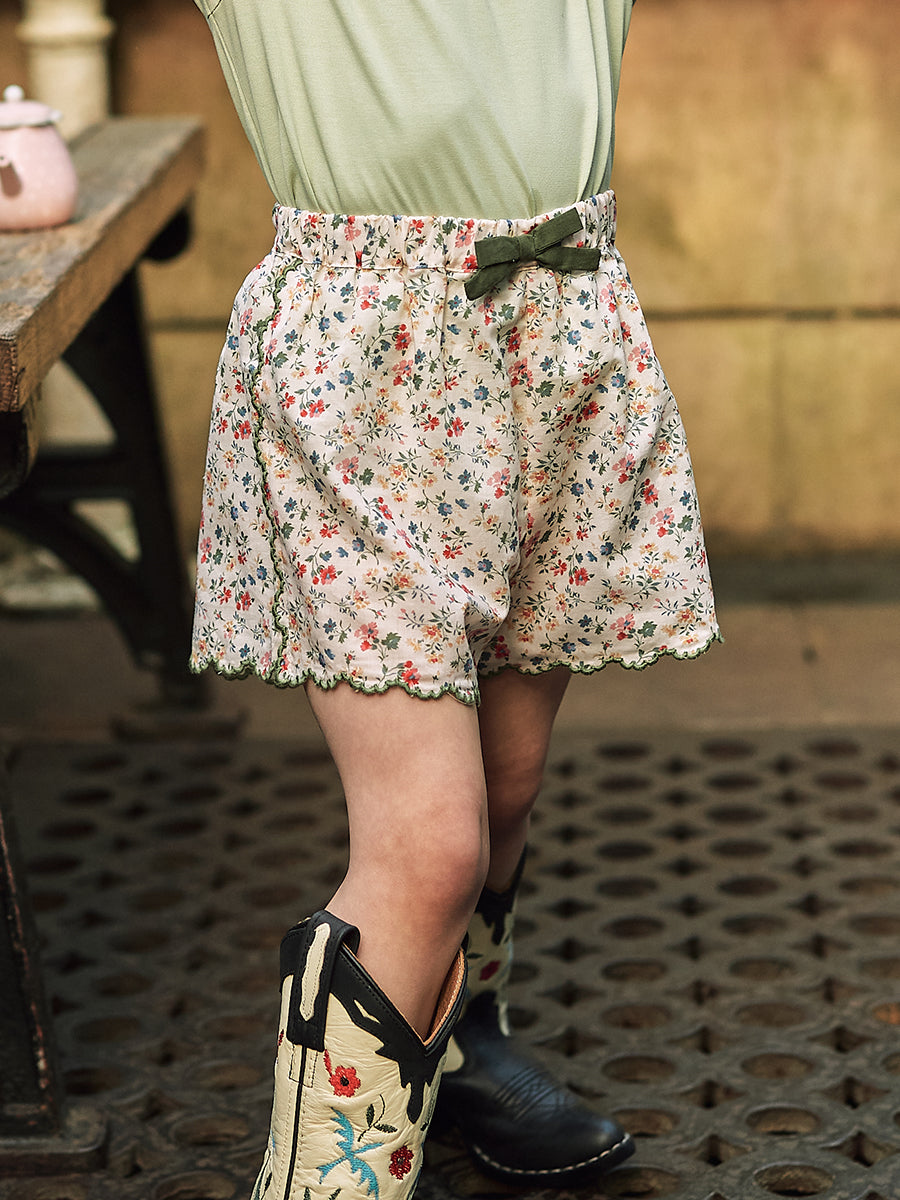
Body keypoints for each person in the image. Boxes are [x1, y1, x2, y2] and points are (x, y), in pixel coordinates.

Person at [191, 2, 719, 1197]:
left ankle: (458, 1044)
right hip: (366, 360)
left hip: (563, 325)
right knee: (430, 846)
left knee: (506, 784)